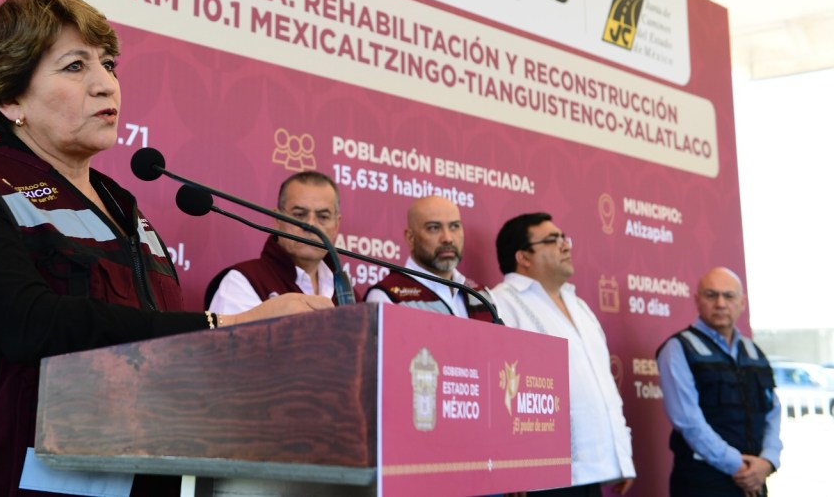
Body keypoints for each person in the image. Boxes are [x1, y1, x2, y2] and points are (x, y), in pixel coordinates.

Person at [0, 0, 332, 497]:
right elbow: (30, 324)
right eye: (75, 67)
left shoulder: (124, 208)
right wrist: (225, 328)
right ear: (10, 98)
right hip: (6, 476)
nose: (106, 85)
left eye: (108, 64)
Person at [490, 212, 635, 496]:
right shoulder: (500, 303)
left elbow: (605, 388)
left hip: (594, 473)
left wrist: (622, 457)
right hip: (540, 475)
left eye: (564, 238)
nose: (565, 245)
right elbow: (496, 393)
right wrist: (510, 464)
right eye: (552, 240)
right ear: (523, 256)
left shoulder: (580, 306)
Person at [656, 266, 781, 496]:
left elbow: (772, 412)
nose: (721, 303)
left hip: (754, 479)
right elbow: (689, 422)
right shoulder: (678, 349)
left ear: (742, 302)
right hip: (704, 482)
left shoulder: (754, 352)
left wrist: (768, 461)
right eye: (711, 295)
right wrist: (739, 467)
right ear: (697, 300)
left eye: (729, 296)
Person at [205, 170, 346, 312]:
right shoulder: (242, 282)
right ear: (278, 219)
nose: (311, 225)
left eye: (323, 217)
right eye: (299, 214)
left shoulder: (346, 293)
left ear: (336, 225)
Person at [365, 195, 493, 320]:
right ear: (410, 238)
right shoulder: (387, 297)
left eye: (454, 226)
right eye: (434, 228)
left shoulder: (482, 294)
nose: (447, 238)